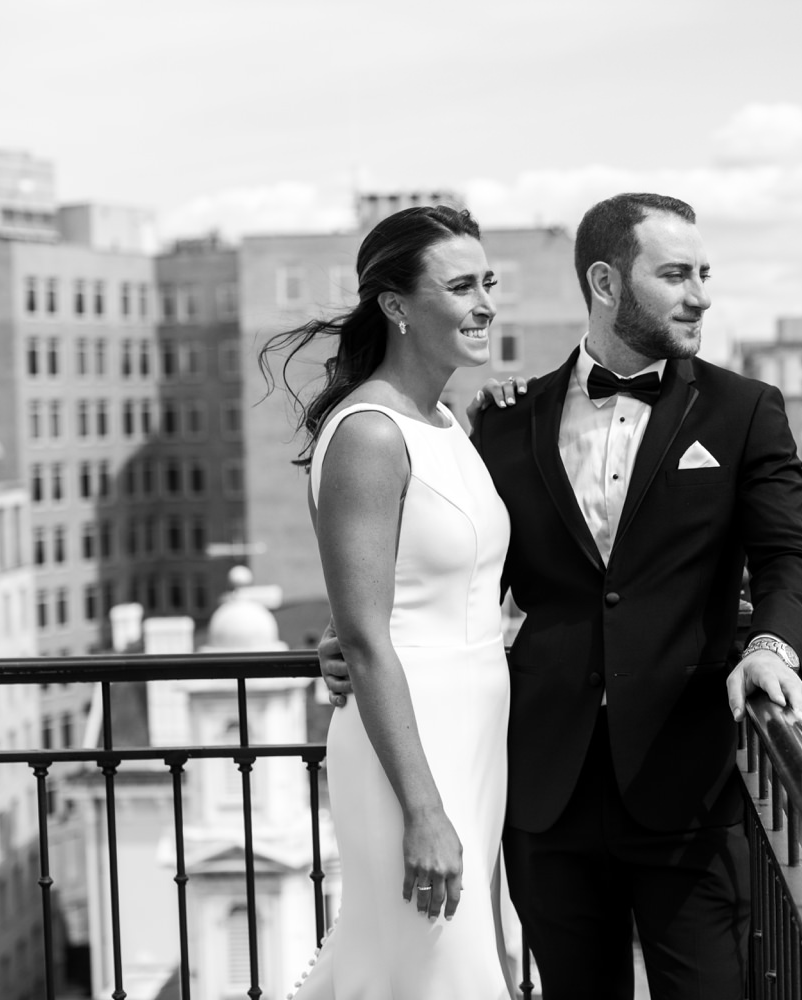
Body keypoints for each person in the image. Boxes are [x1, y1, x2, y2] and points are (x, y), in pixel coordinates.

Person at [320, 192, 802, 999]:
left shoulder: (743, 411)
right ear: (605, 281)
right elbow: (452, 563)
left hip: (683, 786)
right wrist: (353, 636)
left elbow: (793, 560)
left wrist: (770, 648)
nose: (701, 293)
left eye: (705, 273)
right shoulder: (503, 421)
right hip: (540, 789)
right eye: (675, 274)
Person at [261, 205, 518, 999]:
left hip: (476, 738)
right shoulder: (371, 433)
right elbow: (371, 639)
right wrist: (423, 809)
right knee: (439, 977)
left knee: (451, 971)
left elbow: (436, 583)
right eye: (463, 286)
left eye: (490, 284)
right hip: (411, 755)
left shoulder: (444, 422)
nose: (486, 305)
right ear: (398, 306)